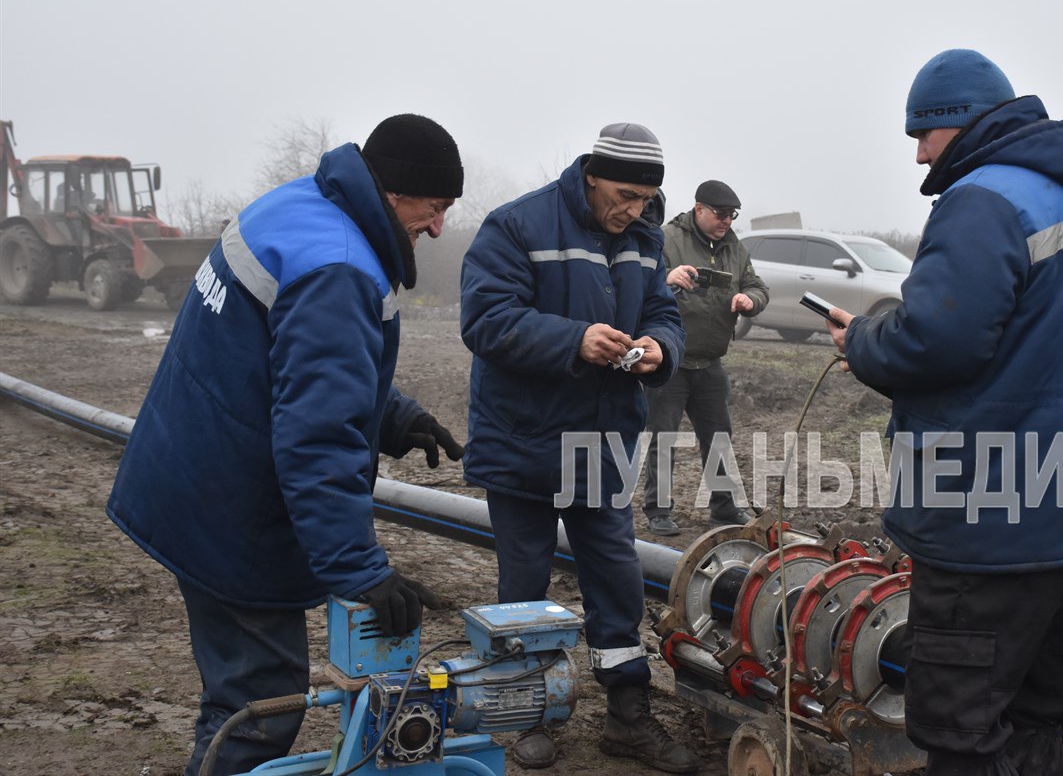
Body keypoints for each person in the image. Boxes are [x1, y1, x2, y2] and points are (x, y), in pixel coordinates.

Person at [106, 114, 467, 776]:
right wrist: (361, 571)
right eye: (435, 207)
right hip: (228, 509)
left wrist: (394, 417)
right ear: (395, 193)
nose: (438, 225)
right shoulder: (341, 267)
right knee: (259, 699)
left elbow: (286, 364)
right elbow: (317, 436)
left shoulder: (300, 207)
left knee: (243, 687)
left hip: (189, 470)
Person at [824, 50, 1063, 775]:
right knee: (1032, 713)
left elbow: (938, 341)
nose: (918, 155)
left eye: (921, 136)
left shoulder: (981, 200)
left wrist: (865, 341)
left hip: (983, 525)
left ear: (952, 123)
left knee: (957, 724)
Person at [460, 123, 699, 774]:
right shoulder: (516, 226)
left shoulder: (644, 235)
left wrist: (658, 348)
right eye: (624, 194)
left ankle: (627, 713)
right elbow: (484, 320)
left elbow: (662, 310)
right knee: (525, 582)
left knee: (617, 578)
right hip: (525, 444)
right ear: (590, 174)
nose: (633, 209)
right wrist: (573, 340)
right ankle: (524, 712)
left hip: (604, 442)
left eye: (647, 197)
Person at [641, 179, 769, 535]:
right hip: (670, 361)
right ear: (699, 209)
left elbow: (757, 286)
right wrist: (667, 277)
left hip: (710, 363)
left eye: (732, 215)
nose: (727, 220)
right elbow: (640, 283)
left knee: (719, 438)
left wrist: (750, 301)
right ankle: (658, 510)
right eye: (720, 214)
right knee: (662, 437)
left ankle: (725, 507)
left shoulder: (734, 248)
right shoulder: (666, 239)